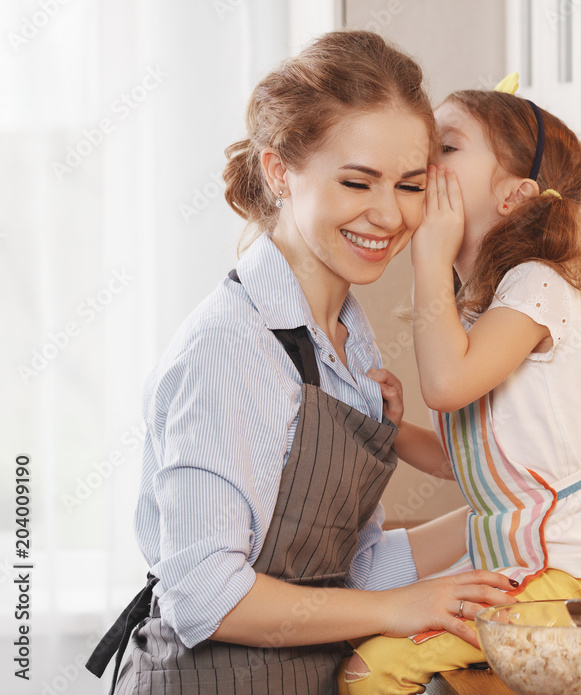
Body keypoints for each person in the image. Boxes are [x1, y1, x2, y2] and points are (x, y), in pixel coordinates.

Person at [85, 31, 517, 695]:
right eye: (356, 181)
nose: (389, 213)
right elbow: (204, 593)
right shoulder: (230, 348)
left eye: (408, 185)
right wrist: (400, 610)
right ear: (281, 171)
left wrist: (514, 509)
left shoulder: (345, 335)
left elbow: (354, 568)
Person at [340, 76, 581, 694]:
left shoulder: (536, 285)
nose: (426, 161)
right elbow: (473, 469)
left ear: (515, 196)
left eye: (446, 148)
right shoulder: (486, 307)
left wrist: (429, 257)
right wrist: (396, 432)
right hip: (537, 567)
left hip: (577, 577)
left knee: (369, 670)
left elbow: (447, 384)